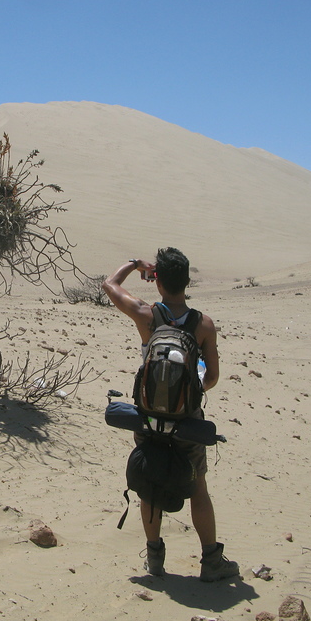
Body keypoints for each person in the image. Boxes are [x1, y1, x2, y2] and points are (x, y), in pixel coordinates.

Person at [102, 248, 239, 582]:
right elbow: (212, 378)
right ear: (188, 281)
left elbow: (110, 284)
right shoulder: (203, 324)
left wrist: (136, 265)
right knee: (199, 488)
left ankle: (154, 559)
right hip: (187, 420)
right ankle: (211, 562)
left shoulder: (147, 315)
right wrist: (190, 393)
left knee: (151, 485)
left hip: (148, 418)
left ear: (158, 280)